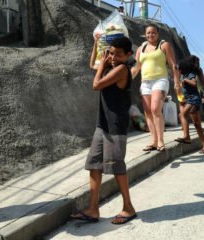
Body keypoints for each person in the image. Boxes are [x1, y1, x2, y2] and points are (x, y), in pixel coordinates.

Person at [71, 37, 137, 225]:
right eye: (111, 52)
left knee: (117, 166)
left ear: (128, 55)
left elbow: (96, 84)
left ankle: (128, 207)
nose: (114, 57)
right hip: (103, 124)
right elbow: (93, 63)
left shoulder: (121, 69)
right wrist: (95, 44)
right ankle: (93, 209)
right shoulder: (110, 66)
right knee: (94, 164)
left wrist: (103, 65)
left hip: (115, 126)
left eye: (118, 54)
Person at [131, 23, 180, 152]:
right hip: (145, 82)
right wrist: (125, 80)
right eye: (148, 33)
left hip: (160, 80)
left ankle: (160, 140)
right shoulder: (141, 48)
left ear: (158, 34)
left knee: (155, 109)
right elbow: (136, 68)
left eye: (153, 32)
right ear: (145, 34)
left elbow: (173, 65)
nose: (150, 35)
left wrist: (177, 83)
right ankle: (153, 141)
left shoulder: (164, 45)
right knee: (147, 111)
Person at [174, 59, 204, 154]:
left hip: (193, 99)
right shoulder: (184, 74)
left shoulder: (190, 75)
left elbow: (194, 83)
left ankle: (187, 137)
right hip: (189, 99)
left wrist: (185, 80)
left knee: (182, 115)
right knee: (197, 124)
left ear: (185, 68)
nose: (179, 71)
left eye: (180, 69)